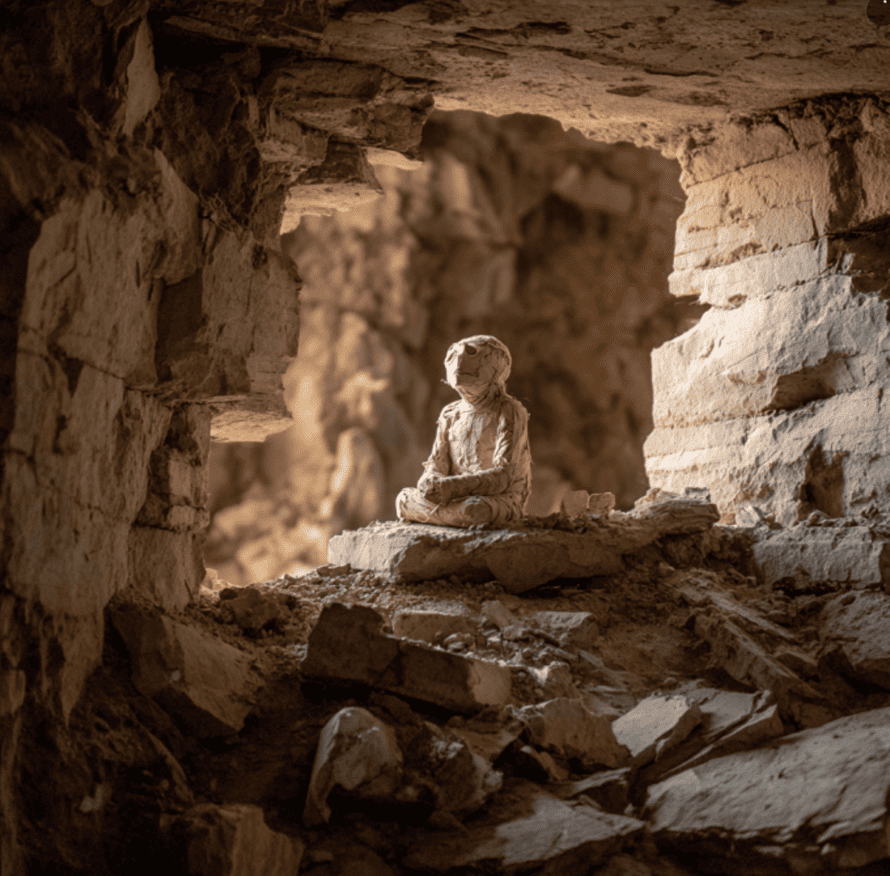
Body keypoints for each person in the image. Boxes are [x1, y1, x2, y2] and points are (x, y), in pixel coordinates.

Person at [396, 335, 531, 527]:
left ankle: (445, 517)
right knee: (403, 499)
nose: (459, 360)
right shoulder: (450, 413)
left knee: (475, 510)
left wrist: (452, 487)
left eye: (472, 354)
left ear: (498, 367)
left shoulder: (508, 410)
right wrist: (430, 483)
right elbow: (436, 465)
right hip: (452, 497)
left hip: (497, 499)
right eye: (452, 355)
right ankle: (452, 516)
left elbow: (503, 477)